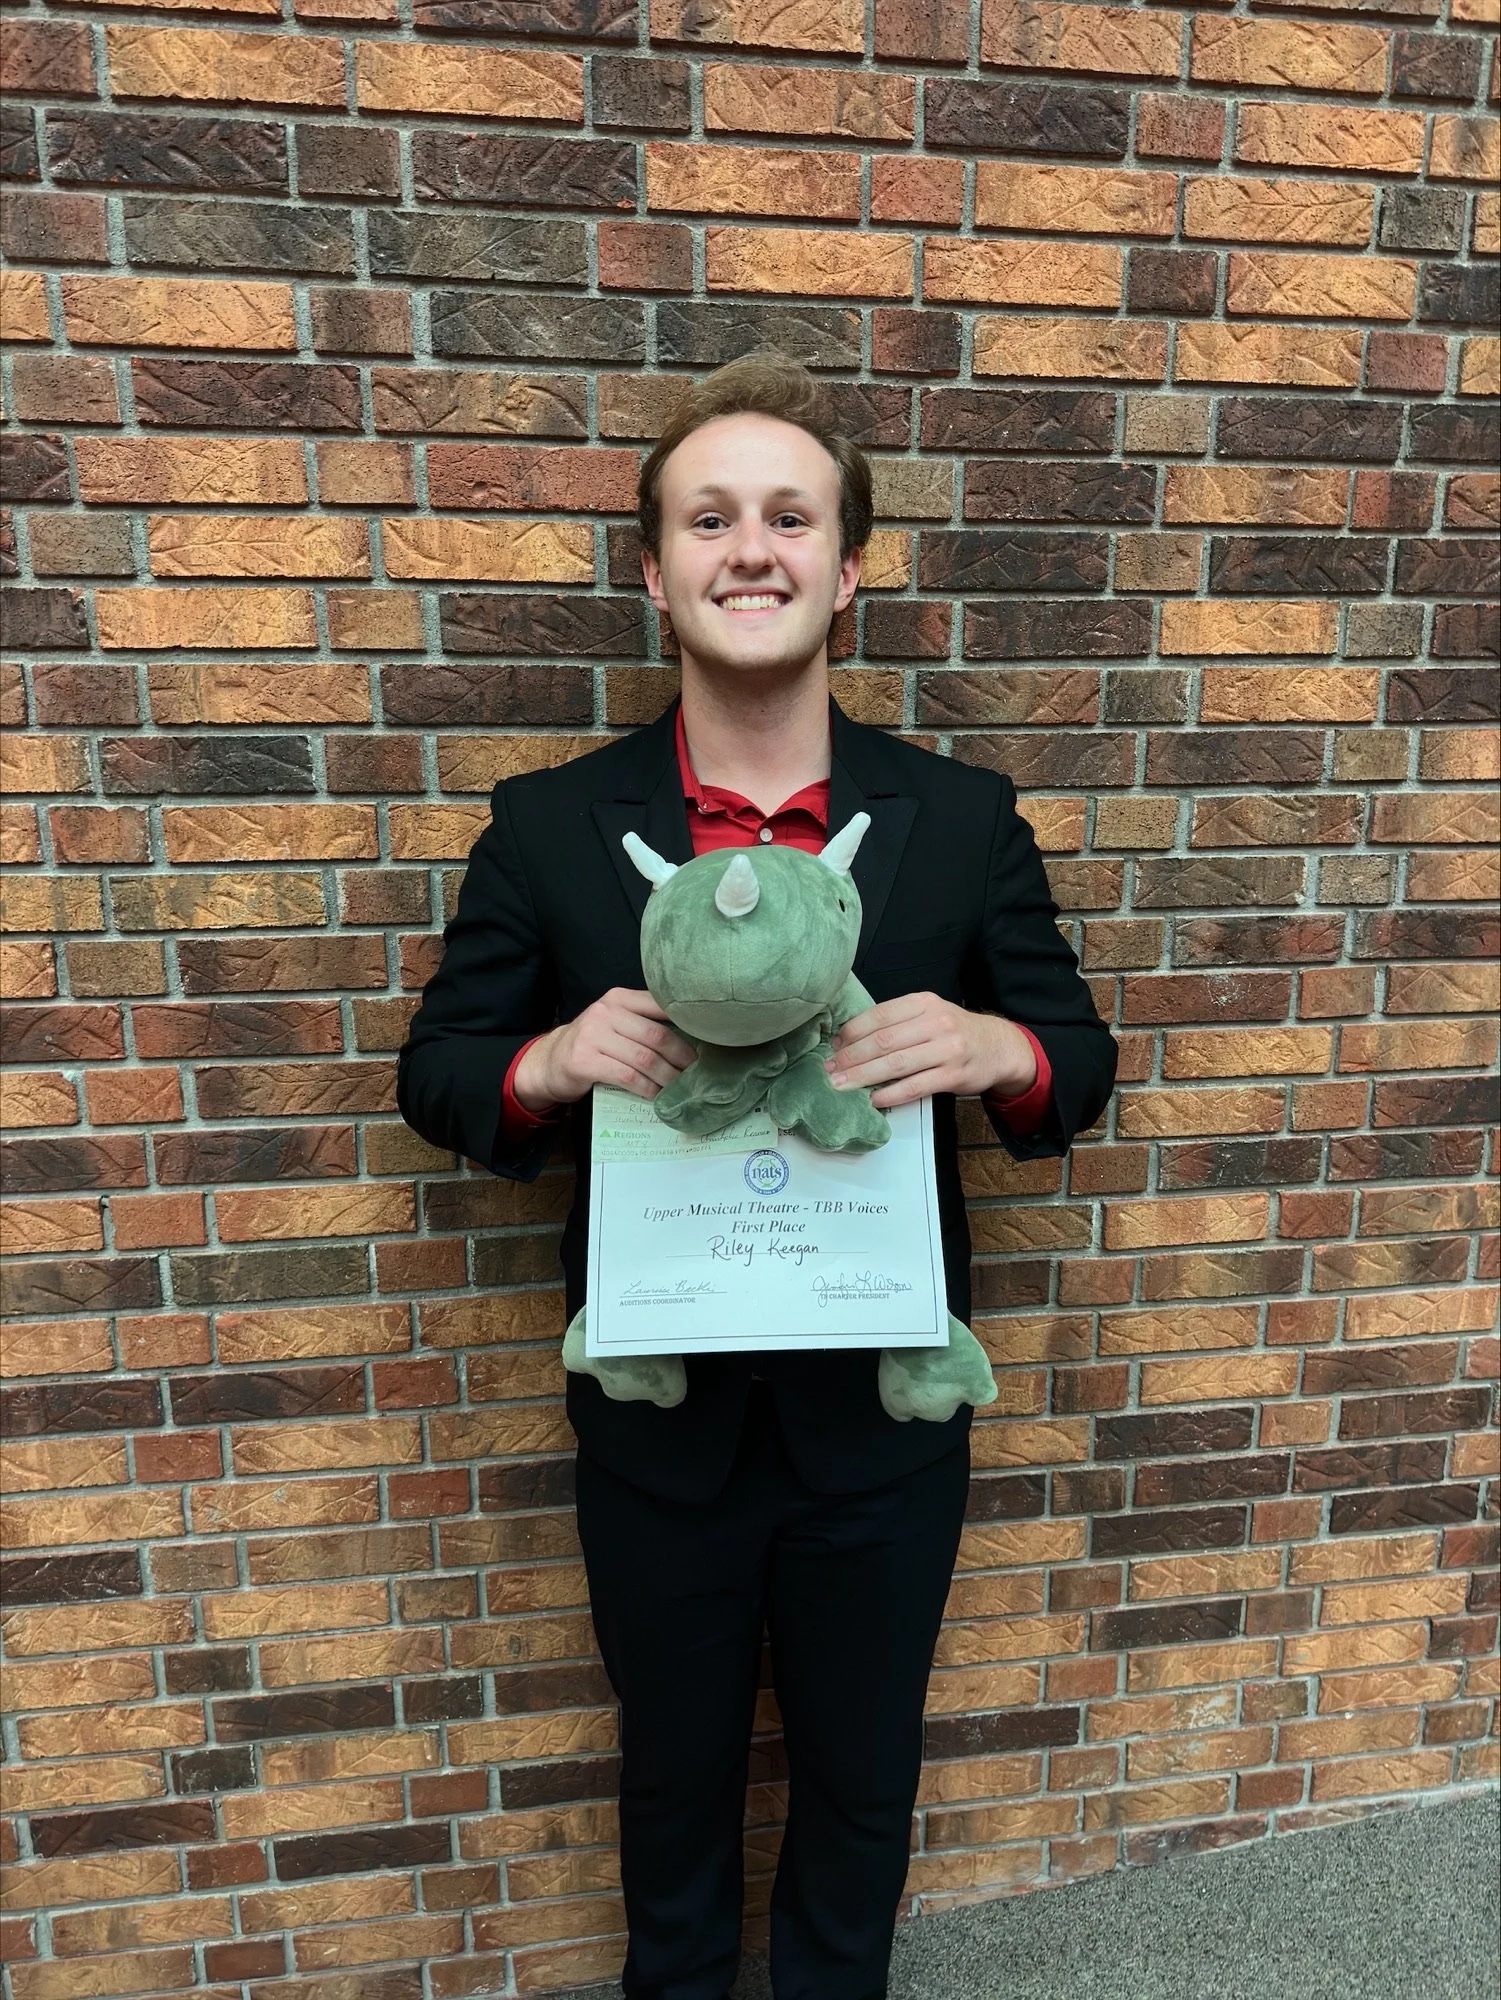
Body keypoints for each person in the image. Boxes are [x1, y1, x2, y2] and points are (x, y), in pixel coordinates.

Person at [396, 352, 1117, 2000]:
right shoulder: (549, 828)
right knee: (670, 1801)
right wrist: (549, 1065)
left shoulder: (959, 821)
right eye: (708, 516)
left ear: (848, 568)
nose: (751, 547)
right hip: (661, 1434)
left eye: (790, 515)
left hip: (882, 1425)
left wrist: (997, 1053)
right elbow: (438, 1075)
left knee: (862, 1798)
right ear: (653, 571)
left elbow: (1076, 1064)